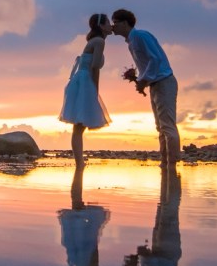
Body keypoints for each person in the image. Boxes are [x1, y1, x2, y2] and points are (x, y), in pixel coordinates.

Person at [110, 9, 180, 168]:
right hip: (155, 84)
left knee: (167, 125)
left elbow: (154, 59)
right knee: (160, 126)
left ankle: (172, 164)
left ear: (125, 23)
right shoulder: (131, 41)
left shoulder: (140, 36)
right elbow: (148, 63)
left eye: (116, 23)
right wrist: (141, 80)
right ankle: (165, 163)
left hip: (164, 81)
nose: (113, 27)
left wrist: (143, 80)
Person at [59, 13, 113, 169]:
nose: (111, 26)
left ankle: (79, 162)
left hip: (81, 80)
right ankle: (79, 163)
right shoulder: (99, 41)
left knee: (78, 127)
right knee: (78, 126)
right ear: (101, 26)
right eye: (108, 23)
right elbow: (95, 67)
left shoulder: (95, 41)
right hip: (85, 82)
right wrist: (95, 90)